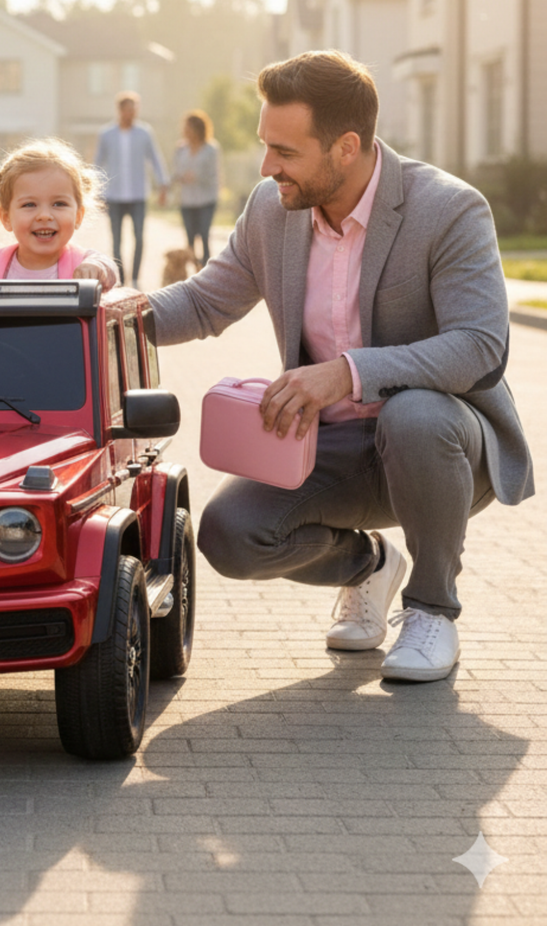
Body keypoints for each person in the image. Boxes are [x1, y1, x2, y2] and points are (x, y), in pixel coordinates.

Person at [146, 50, 533, 682]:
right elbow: (201, 302)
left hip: (445, 447)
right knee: (228, 533)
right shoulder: (272, 209)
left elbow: (480, 346)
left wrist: (346, 373)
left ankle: (432, 609)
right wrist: (100, 311)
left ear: (346, 147)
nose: (267, 167)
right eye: (265, 146)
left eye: (285, 152)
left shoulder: (449, 209)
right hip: (333, 450)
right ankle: (371, 567)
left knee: (414, 414)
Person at [0, 138, 118, 286]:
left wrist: (94, 269)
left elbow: (109, 271)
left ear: (78, 216)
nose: (44, 216)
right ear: (6, 218)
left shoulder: (85, 263)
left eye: (59, 204)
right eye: (29, 204)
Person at [94, 90, 169, 289]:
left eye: (135, 109)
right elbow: (98, 164)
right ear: (120, 110)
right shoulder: (106, 134)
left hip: (138, 195)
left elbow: (155, 158)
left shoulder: (145, 133)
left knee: (139, 238)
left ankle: (135, 278)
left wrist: (163, 184)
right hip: (114, 195)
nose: (132, 113)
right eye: (128, 109)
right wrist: (97, 193)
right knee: (116, 241)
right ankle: (121, 279)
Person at [172, 109, 221, 266]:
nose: (185, 131)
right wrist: (181, 177)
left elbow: (214, 174)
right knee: (190, 239)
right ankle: (194, 272)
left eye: (188, 127)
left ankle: (206, 270)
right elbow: (175, 172)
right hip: (187, 200)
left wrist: (197, 176)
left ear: (198, 129)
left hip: (206, 199)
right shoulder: (180, 149)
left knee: (205, 235)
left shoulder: (211, 149)